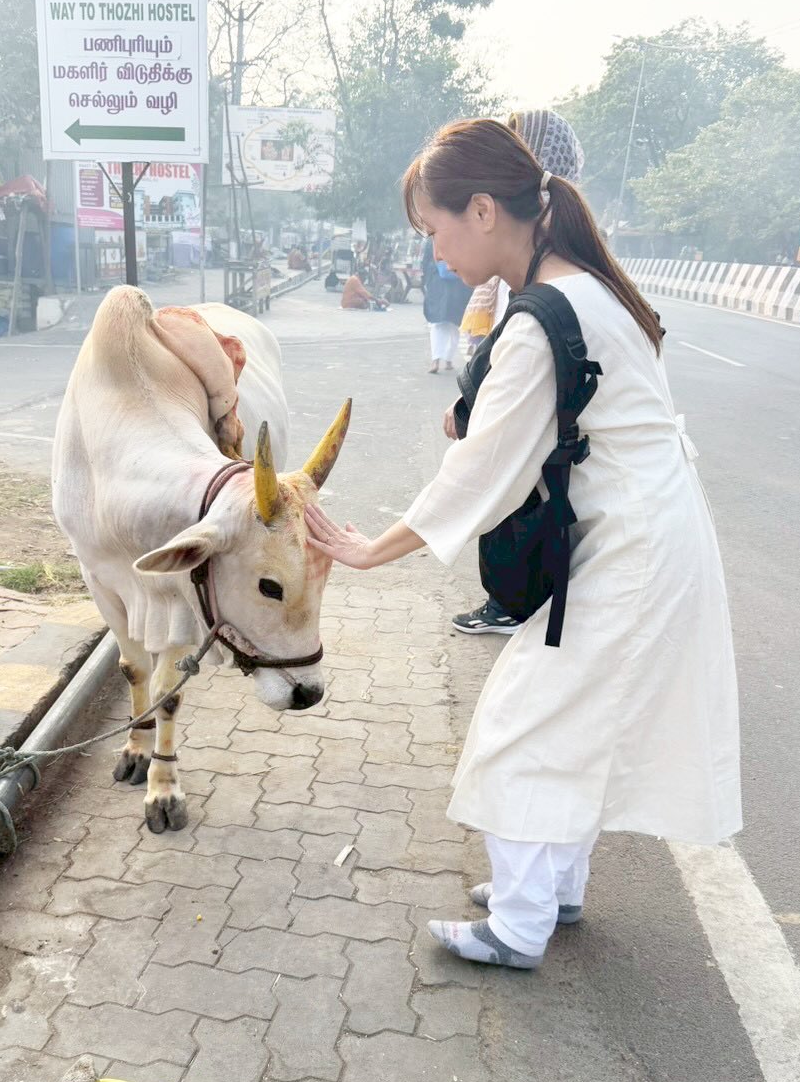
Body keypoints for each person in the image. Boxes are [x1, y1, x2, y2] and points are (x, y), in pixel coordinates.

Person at [305, 117, 740, 971]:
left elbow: (478, 473)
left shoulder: (544, 314)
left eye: (434, 231)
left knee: (523, 717)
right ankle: (551, 888)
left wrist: (367, 550)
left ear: (480, 211)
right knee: (577, 716)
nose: (434, 254)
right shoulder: (576, 283)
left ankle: (519, 922)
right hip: (646, 532)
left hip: (635, 548)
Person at [452, 109, 585, 635]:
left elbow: (521, 342)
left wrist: (374, 549)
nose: (440, 253)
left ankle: (510, 602)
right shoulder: (560, 259)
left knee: (509, 503)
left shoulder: (544, 279)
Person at [422, 235, 472, 373]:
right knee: (453, 326)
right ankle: (447, 359)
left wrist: (428, 282)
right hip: (458, 288)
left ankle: (436, 360)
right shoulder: (461, 237)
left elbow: (425, 265)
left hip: (438, 287)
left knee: (439, 325)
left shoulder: (431, 240)